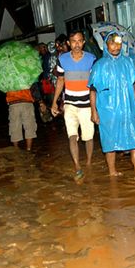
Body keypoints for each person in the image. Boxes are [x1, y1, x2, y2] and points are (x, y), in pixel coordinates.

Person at [89, 33, 135, 184]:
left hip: (127, 108)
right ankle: (112, 171)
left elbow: (132, 87)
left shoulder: (128, 62)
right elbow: (93, 90)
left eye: (119, 44)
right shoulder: (99, 65)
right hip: (108, 110)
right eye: (112, 43)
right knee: (110, 142)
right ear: (106, 45)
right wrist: (94, 111)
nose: (116, 47)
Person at [51, 30, 95, 180]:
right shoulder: (62, 60)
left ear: (83, 42)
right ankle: (77, 165)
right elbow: (60, 81)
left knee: (88, 137)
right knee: (72, 136)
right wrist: (54, 103)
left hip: (87, 105)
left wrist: (96, 107)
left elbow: (94, 84)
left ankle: (88, 162)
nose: (77, 44)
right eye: (73, 41)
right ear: (68, 44)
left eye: (79, 41)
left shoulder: (91, 59)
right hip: (69, 104)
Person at [6, 82, 46, 151]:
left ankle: (16, 150)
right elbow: (34, 89)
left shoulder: (8, 76)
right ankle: (28, 149)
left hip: (13, 103)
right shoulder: (27, 74)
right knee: (29, 126)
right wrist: (40, 102)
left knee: (14, 127)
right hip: (26, 102)